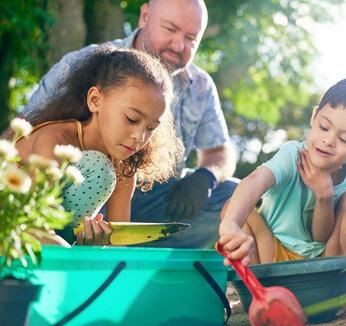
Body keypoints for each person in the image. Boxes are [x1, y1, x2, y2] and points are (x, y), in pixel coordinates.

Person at [19, 0, 237, 249]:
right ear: (144, 16)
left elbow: (221, 151)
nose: (139, 137)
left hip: (154, 199)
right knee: (97, 168)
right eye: (170, 29)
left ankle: (150, 267)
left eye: (190, 38)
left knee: (237, 196)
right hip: (54, 189)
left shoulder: (199, 85)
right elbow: (23, 130)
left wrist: (205, 178)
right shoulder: (84, 67)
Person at [218, 78, 346, 289]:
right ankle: (254, 292)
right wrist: (231, 225)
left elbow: (320, 236)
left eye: (344, 139)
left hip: (323, 261)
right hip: (270, 254)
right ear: (314, 116)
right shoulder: (293, 155)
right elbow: (256, 180)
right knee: (231, 208)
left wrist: (324, 196)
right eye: (324, 127)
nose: (328, 140)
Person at [15, 46, 182, 247]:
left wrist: (92, 249)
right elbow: (32, 227)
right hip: (12, 230)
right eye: (131, 119)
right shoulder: (54, 142)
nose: (140, 136)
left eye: (151, 128)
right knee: (99, 167)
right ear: (95, 100)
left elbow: (118, 246)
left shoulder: (123, 166)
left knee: (102, 169)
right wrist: (78, 260)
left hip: (52, 244)